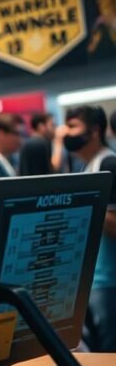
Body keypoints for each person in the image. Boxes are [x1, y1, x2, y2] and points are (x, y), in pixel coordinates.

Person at [63, 105, 116, 352]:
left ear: (95, 130)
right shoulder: (88, 166)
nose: (66, 132)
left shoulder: (108, 164)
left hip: (108, 280)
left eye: (73, 126)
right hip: (93, 281)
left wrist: (87, 208)